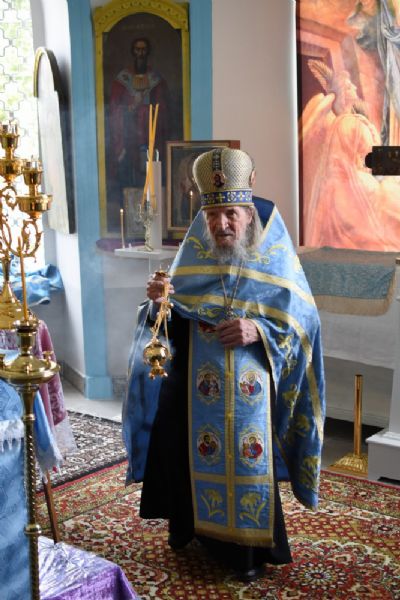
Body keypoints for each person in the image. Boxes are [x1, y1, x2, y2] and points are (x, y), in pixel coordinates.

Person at [123, 148, 325, 581]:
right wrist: (159, 303)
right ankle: (188, 527)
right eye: (213, 215)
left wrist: (258, 330)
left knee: (247, 457)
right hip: (194, 386)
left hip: (251, 387)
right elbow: (169, 322)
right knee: (179, 437)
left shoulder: (275, 256)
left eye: (231, 214)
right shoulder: (194, 255)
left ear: (248, 214)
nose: (222, 224)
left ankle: (246, 553)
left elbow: (304, 321)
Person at [300, 60, 400, 250]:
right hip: (352, 191)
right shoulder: (347, 123)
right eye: (348, 85)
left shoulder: (348, 121)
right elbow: (365, 160)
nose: (354, 87)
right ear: (343, 92)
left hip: (354, 186)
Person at [107, 37, 169, 210]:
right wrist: (130, 107)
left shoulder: (156, 79)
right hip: (129, 136)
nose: (140, 53)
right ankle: (130, 208)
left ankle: (151, 207)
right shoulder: (122, 79)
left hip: (149, 134)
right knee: (130, 173)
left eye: (143, 49)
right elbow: (114, 109)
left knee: (149, 170)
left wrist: (149, 110)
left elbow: (163, 109)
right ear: (133, 52)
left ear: (148, 52)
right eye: (137, 49)